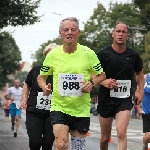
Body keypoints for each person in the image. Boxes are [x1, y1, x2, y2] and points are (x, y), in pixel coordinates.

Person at [37, 17, 106, 150]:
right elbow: (41, 77)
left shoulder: (88, 53)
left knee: (77, 148)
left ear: (78, 32)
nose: (69, 32)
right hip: (59, 107)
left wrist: (91, 83)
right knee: (61, 144)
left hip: (81, 109)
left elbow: (102, 75)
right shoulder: (52, 55)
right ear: (60, 33)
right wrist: (44, 87)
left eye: (73, 30)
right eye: (66, 30)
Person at [96, 22, 145, 150]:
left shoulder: (133, 55)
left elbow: (139, 73)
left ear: (127, 36)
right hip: (106, 99)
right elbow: (91, 73)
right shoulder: (102, 54)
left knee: (121, 132)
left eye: (123, 32)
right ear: (113, 34)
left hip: (124, 99)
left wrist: (140, 91)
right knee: (105, 138)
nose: (120, 34)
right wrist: (103, 82)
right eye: (118, 31)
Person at [20, 43, 58, 150]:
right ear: (46, 56)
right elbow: (27, 84)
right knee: (35, 142)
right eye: (49, 55)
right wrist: (24, 100)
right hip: (34, 111)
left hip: (53, 113)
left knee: (48, 142)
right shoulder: (36, 70)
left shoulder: (61, 72)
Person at [136, 62, 150, 150]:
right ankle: (145, 147)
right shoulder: (145, 78)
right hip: (147, 111)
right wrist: (138, 107)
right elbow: (137, 93)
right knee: (148, 137)